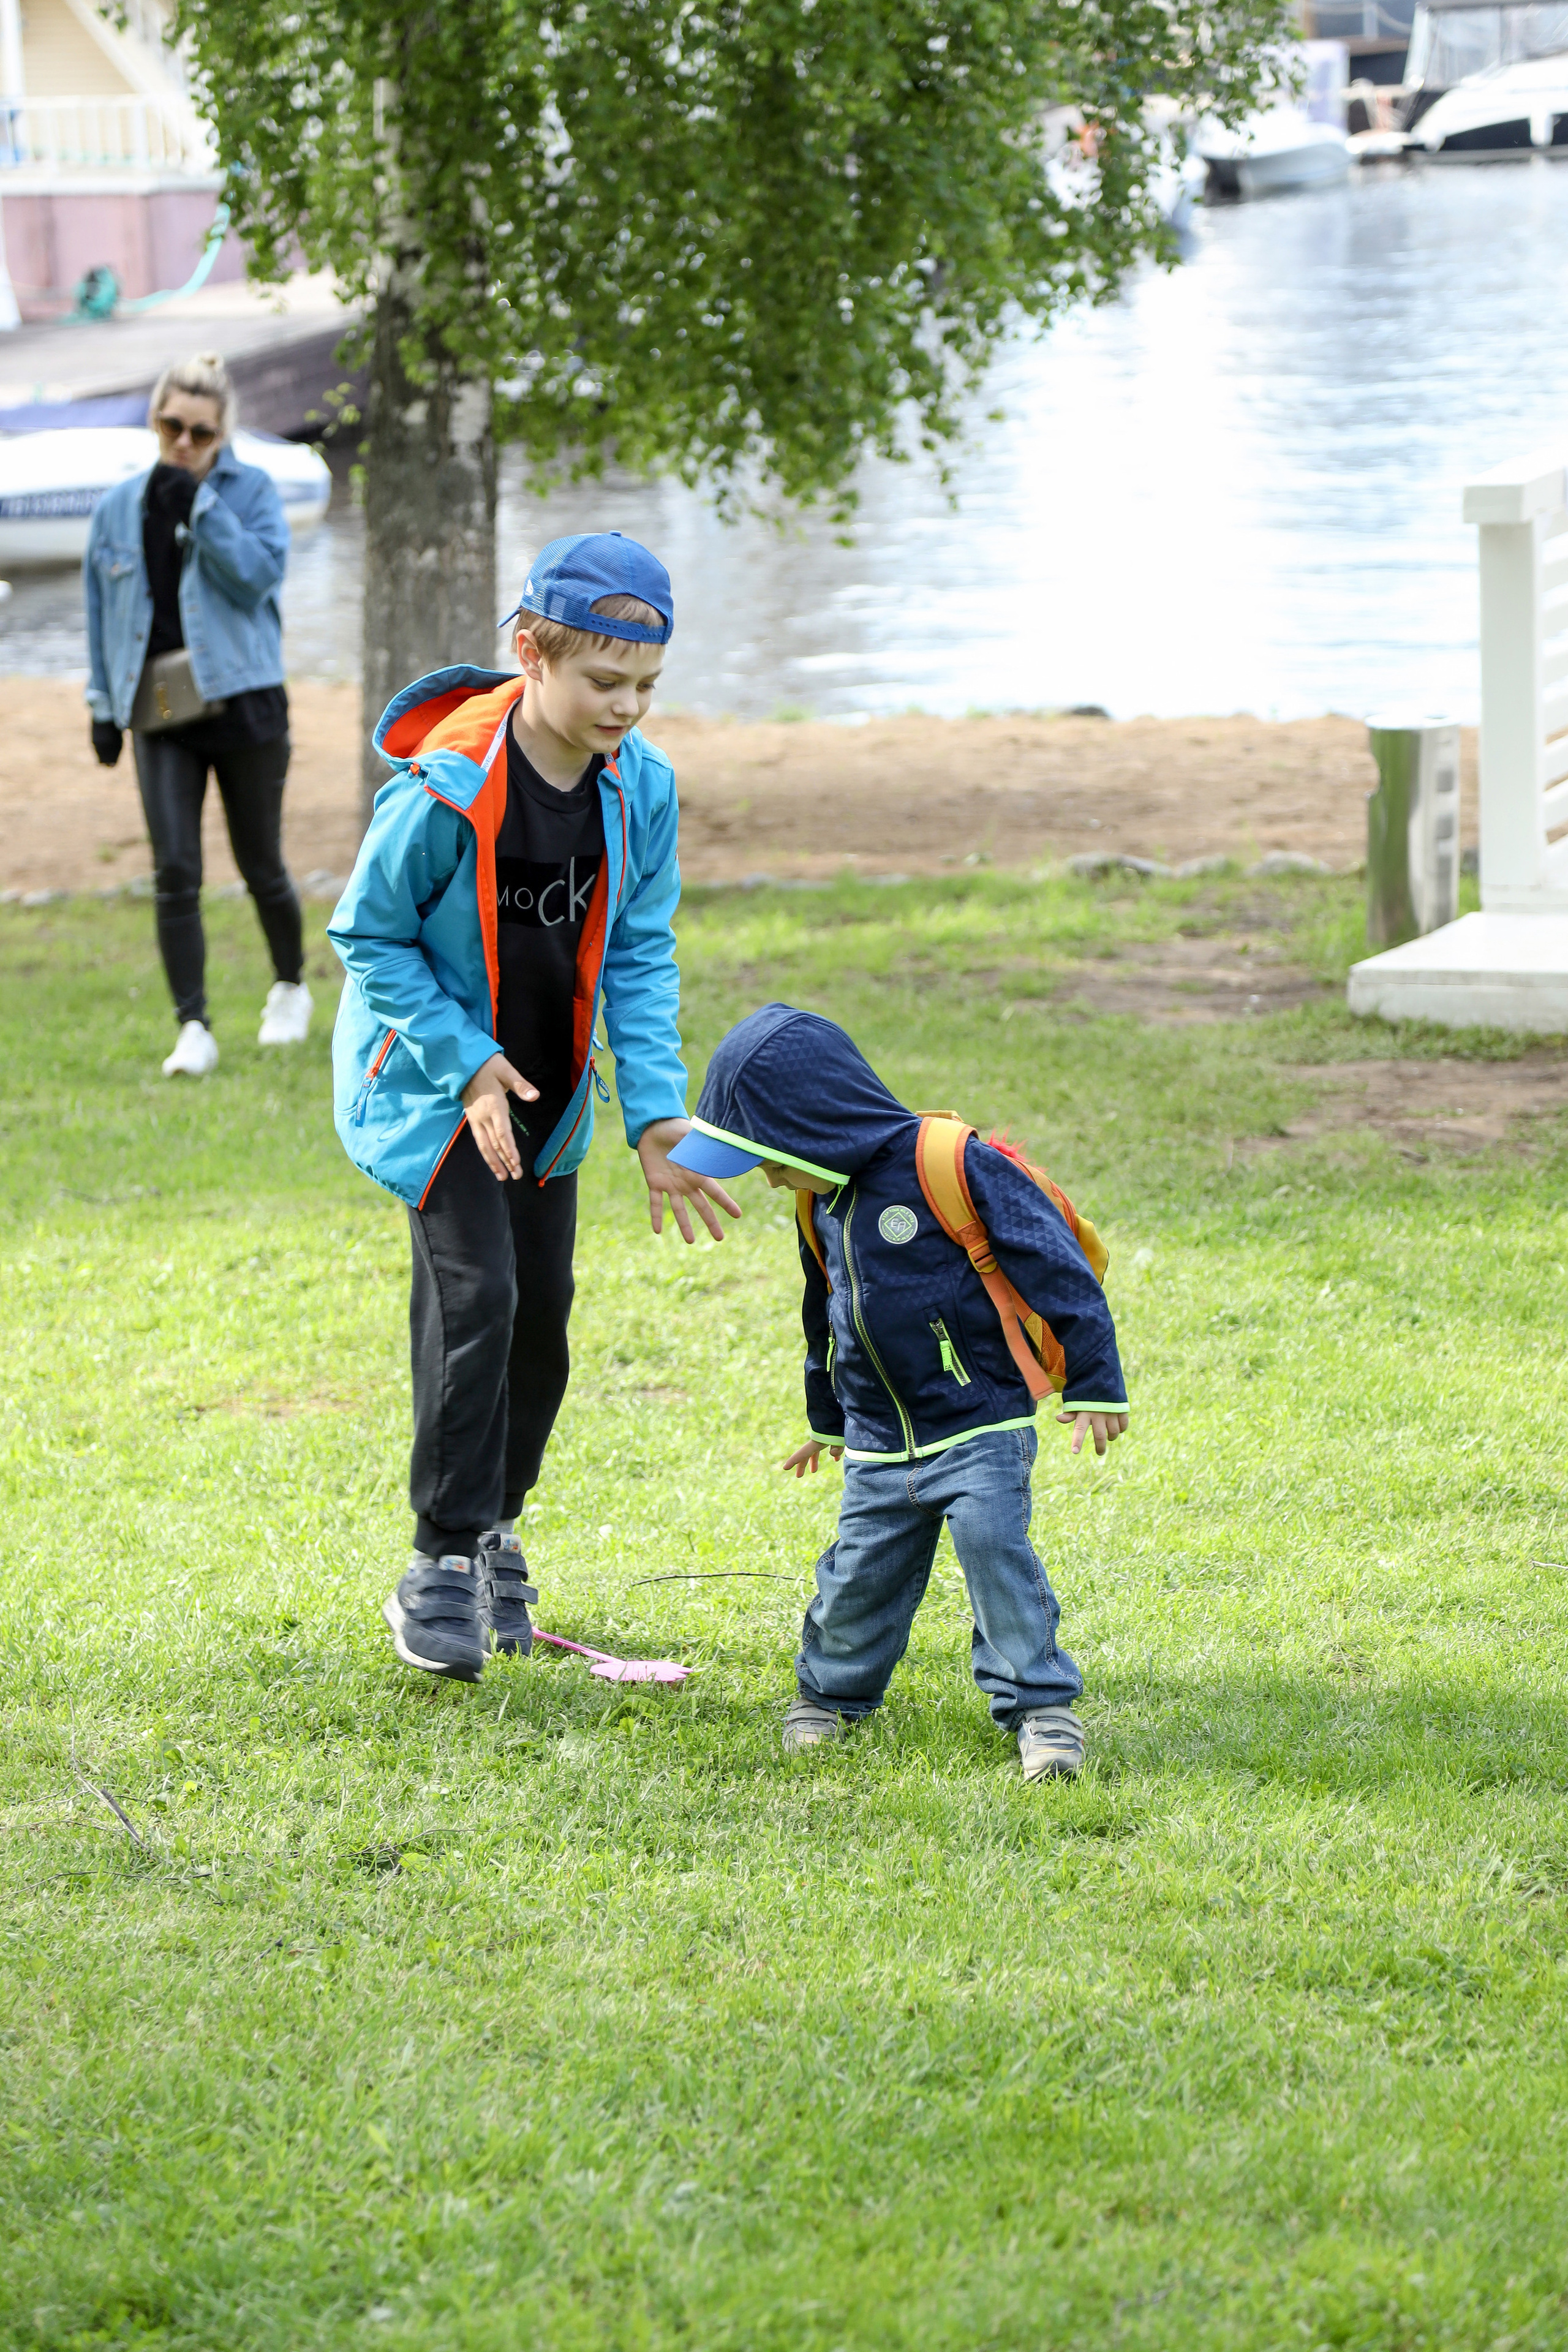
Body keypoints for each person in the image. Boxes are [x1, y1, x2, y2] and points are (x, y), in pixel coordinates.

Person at [328, 530, 739, 1684]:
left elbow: (642, 955)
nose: (628, 707)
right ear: (531, 655)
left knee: (543, 1312)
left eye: (648, 687)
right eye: (605, 682)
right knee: (480, 1296)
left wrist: (658, 1114)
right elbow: (368, 933)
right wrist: (463, 1061)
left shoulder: (640, 787)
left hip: (548, 1090)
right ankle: (439, 1567)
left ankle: (498, 1529)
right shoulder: (445, 787)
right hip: (433, 1082)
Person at [666, 1004, 1130, 1781]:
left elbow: (1058, 1265)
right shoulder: (819, 1199)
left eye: (771, 1158)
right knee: (858, 1572)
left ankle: (1041, 1710)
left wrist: (1095, 1383)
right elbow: (826, 1311)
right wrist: (827, 1418)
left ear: (812, 1128)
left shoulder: (951, 1163)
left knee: (994, 1553)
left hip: (979, 1422)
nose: (771, 1177)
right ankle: (829, 1699)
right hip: (881, 1439)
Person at [84, 350, 310, 1079]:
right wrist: (101, 704)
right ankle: (193, 1027)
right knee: (174, 868)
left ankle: (290, 986)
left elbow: (257, 580)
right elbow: (102, 609)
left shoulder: (251, 492)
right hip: (159, 704)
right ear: (154, 421)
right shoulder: (119, 505)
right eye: (171, 426)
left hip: (246, 699)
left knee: (261, 865)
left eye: (201, 433)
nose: (183, 444)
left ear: (224, 435)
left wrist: (201, 508)